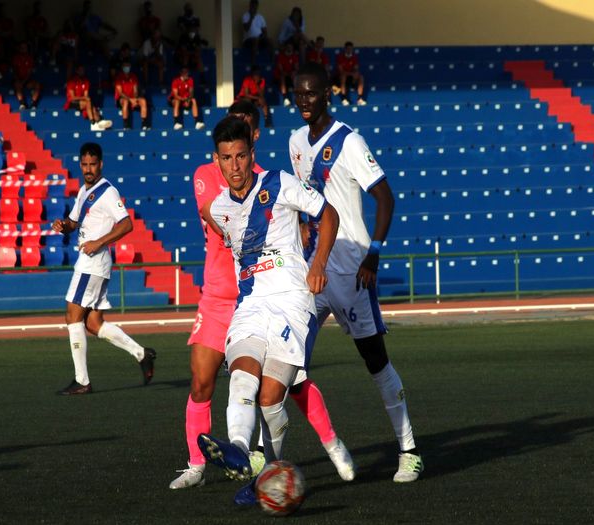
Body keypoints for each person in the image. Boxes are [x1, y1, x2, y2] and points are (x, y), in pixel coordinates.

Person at [170, 100, 354, 492]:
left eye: (240, 156)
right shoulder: (220, 209)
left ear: (251, 154)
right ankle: (239, 449)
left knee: (271, 398)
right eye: (226, 158)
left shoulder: (280, 182)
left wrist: (319, 263)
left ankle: (274, 468)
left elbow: (329, 213)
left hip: (291, 301)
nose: (234, 166)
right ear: (217, 161)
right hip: (250, 303)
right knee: (241, 375)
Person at [290, 62, 423, 482]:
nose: (304, 100)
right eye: (298, 93)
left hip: (351, 271)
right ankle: (270, 457)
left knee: (375, 360)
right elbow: (306, 200)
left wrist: (374, 254)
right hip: (313, 270)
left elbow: (386, 197)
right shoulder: (295, 141)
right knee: (285, 363)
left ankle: (409, 450)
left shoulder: (349, 142)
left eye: (311, 92)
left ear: (327, 93)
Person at [51, 142, 156, 395]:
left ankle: (82, 381)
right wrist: (63, 226)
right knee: (93, 323)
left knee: (72, 316)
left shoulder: (107, 192)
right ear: (80, 164)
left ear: (101, 164)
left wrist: (98, 242)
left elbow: (127, 224)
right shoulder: (83, 191)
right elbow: (73, 222)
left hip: (93, 262)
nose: (88, 169)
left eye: (93, 164)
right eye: (85, 164)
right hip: (92, 262)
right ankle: (141, 354)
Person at [65, 64, 111, 131]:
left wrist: (85, 98)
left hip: (83, 102)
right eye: (80, 70)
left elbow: (86, 95)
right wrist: (84, 98)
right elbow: (72, 97)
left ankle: (97, 124)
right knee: (89, 104)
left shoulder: (86, 81)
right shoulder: (72, 81)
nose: (82, 71)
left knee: (93, 107)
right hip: (71, 103)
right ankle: (96, 122)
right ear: (77, 71)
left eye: (83, 70)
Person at [113, 63, 150, 130]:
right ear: (122, 67)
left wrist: (135, 98)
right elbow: (120, 93)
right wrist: (130, 100)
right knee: (126, 102)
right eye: (125, 66)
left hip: (132, 98)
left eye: (128, 66)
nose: (126, 68)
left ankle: (144, 124)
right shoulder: (119, 77)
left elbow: (135, 90)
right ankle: (126, 125)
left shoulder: (133, 76)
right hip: (122, 98)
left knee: (143, 101)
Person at [169, 66, 203, 130]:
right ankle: (176, 123)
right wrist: (183, 99)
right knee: (177, 101)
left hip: (186, 99)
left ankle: (197, 122)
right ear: (181, 74)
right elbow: (175, 95)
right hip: (175, 99)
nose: (187, 74)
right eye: (185, 73)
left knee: (193, 100)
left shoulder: (190, 80)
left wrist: (188, 100)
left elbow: (191, 93)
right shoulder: (176, 81)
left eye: (187, 73)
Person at [334, 41, 366, 106]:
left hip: (351, 76)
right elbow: (341, 71)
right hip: (341, 77)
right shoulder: (340, 57)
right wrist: (351, 74)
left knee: (361, 77)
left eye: (351, 49)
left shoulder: (354, 57)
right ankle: (344, 98)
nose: (349, 50)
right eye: (348, 48)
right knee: (343, 76)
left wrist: (354, 74)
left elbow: (356, 69)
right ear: (345, 49)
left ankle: (360, 98)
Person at [12, 42, 41, 109]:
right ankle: (22, 104)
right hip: (18, 79)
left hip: (27, 81)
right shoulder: (16, 58)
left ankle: (33, 104)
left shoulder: (30, 58)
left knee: (37, 85)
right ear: (19, 48)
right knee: (17, 84)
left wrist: (23, 82)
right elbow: (14, 71)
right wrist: (19, 81)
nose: (23, 49)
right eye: (22, 47)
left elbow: (29, 73)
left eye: (25, 47)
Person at [241, 0, 269, 64]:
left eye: (255, 6)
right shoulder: (245, 16)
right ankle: (253, 63)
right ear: (250, 6)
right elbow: (246, 28)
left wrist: (264, 36)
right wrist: (251, 17)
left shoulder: (260, 17)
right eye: (252, 6)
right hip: (248, 40)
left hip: (259, 39)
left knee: (270, 41)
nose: (254, 8)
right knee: (255, 40)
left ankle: (271, 63)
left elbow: (265, 31)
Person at [273, 40, 300, 106]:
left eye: (290, 47)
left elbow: (296, 68)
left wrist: (293, 72)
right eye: (288, 47)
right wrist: (287, 73)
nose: (289, 48)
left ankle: (296, 97)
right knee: (283, 77)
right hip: (281, 76)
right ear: (285, 47)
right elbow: (281, 69)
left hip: (290, 76)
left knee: (295, 76)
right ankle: (285, 98)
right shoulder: (280, 56)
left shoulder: (294, 56)